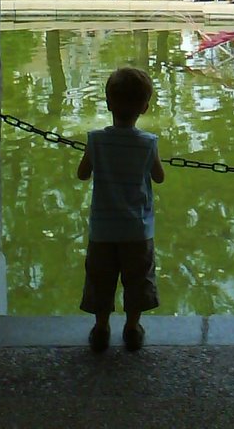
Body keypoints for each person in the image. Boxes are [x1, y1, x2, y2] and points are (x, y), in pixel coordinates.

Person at [77, 67, 165, 352]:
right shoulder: (148, 142)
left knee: (101, 279)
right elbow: (159, 176)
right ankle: (132, 327)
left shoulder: (96, 140)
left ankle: (101, 328)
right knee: (137, 279)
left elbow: (82, 173)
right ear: (145, 107)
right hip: (136, 229)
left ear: (108, 103)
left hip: (103, 230)